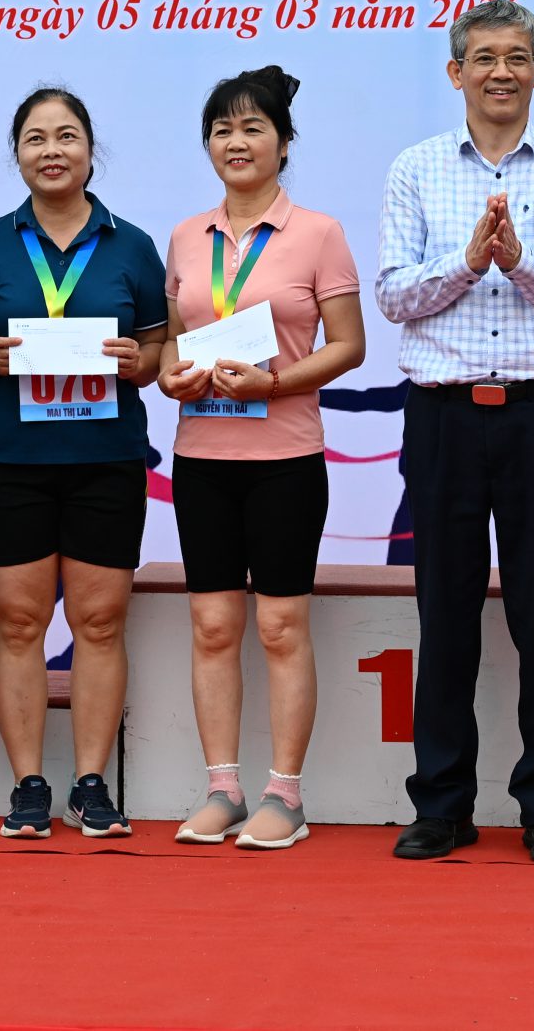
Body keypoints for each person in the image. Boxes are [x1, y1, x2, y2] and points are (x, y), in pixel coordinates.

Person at [375, 0, 534, 867]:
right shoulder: (416, 168)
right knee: (445, 610)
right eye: (483, 57)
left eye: (516, 57)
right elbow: (393, 293)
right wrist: (470, 261)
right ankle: (442, 802)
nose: (500, 71)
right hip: (442, 413)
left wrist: (520, 261)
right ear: (456, 72)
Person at [0, 88, 164, 843]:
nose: (52, 151)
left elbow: (159, 348)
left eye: (67, 136)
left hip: (106, 459)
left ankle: (92, 783)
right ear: (17, 154)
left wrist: (140, 362)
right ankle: (29, 783)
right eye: (35, 138)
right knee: (19, 622)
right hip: (12, 459)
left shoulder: (132, 245)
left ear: (91, 150)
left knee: (99, 621)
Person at [158, 66, 365, 850]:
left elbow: (349, 345)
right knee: (213, 624)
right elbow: (174, 341)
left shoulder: (318, 231)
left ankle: (286, 793)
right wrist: (173, 375)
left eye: (252, 128)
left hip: (285, 456)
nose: (236, 142)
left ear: (283, 141)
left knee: (280, 625)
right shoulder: (187, 235)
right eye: (222, 129)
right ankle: (223, 788)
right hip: (202, 455)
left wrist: (275, 382)